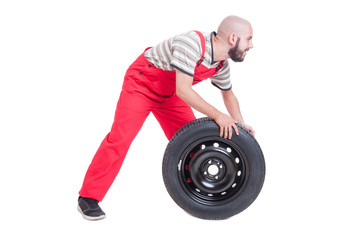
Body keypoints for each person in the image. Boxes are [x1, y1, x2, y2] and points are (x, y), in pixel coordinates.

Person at [77, 15, 255, 220]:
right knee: (120, 139)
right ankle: (88, 198)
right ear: (233, 38)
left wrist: (241, 127)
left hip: (169, 94)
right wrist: (218, 115)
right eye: (249, 39)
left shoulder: (220, 64)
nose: (251, 45)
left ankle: (198, 193)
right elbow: (184, 91)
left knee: (192, 143)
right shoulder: (192, 43)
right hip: (141, 86)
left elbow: (228, 95)